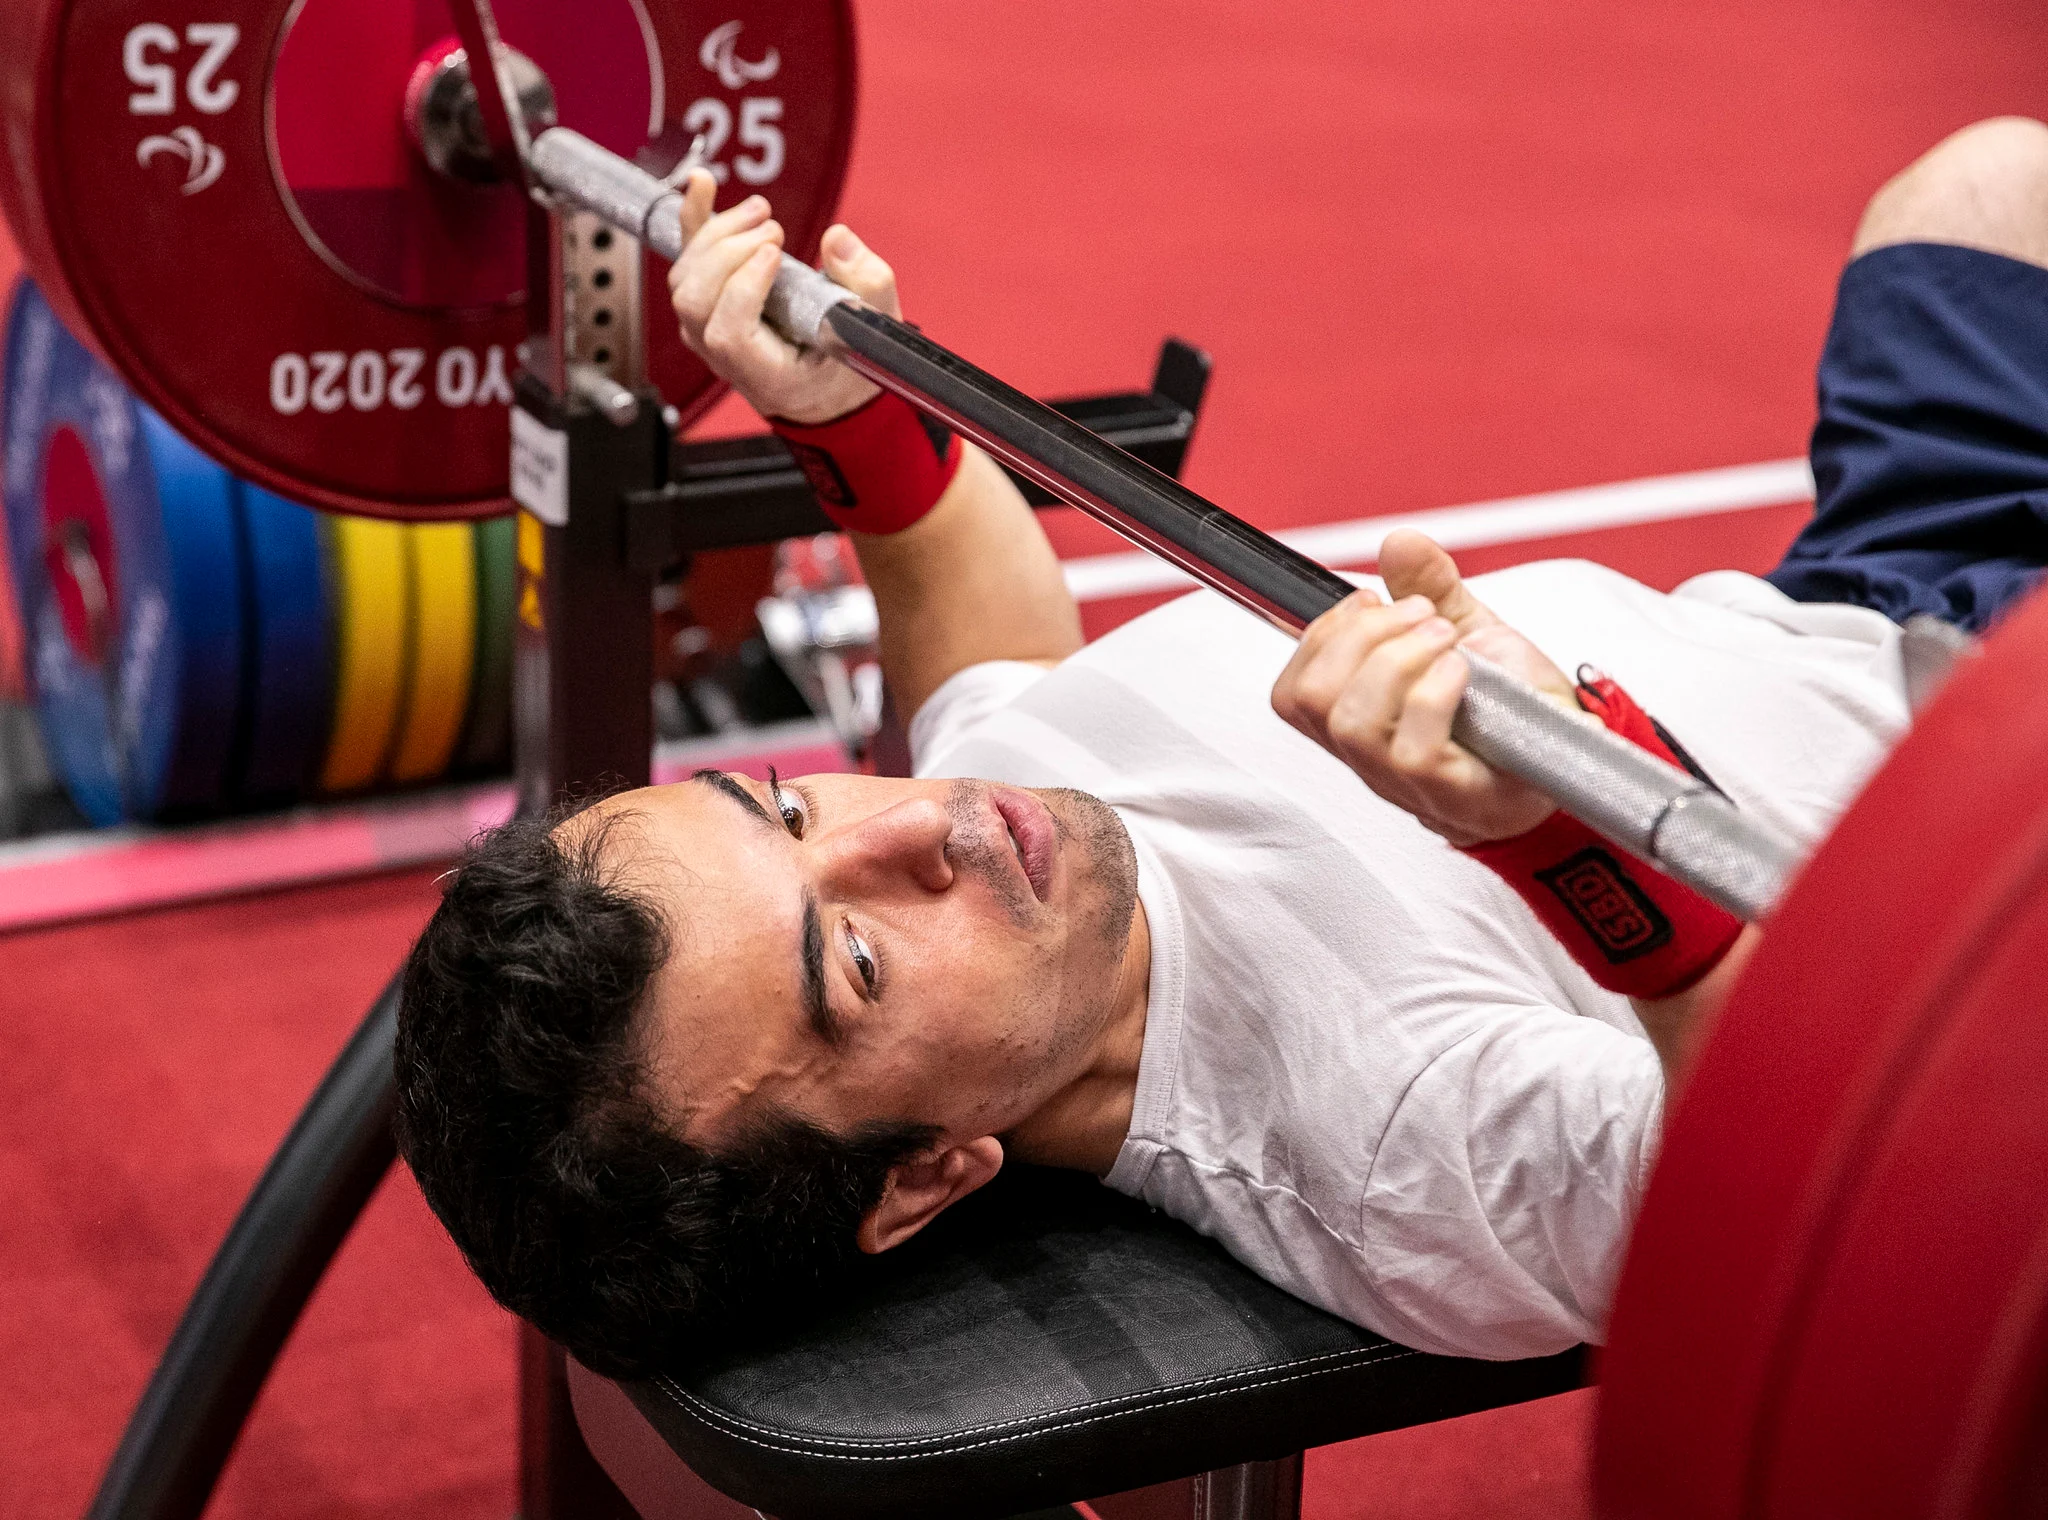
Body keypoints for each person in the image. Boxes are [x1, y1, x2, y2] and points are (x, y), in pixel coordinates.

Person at [394, 117, 2048, 1379]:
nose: (925, 829)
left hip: (1857, 604)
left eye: (788, 803)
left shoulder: (1020, 844)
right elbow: (1816, 1175)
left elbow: (977, 639)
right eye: (856, 960)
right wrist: (1563, 835)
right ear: (925, 1182)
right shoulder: (1388, 1151)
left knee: (1981, 190)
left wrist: (848, 419)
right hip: (1993, 827)